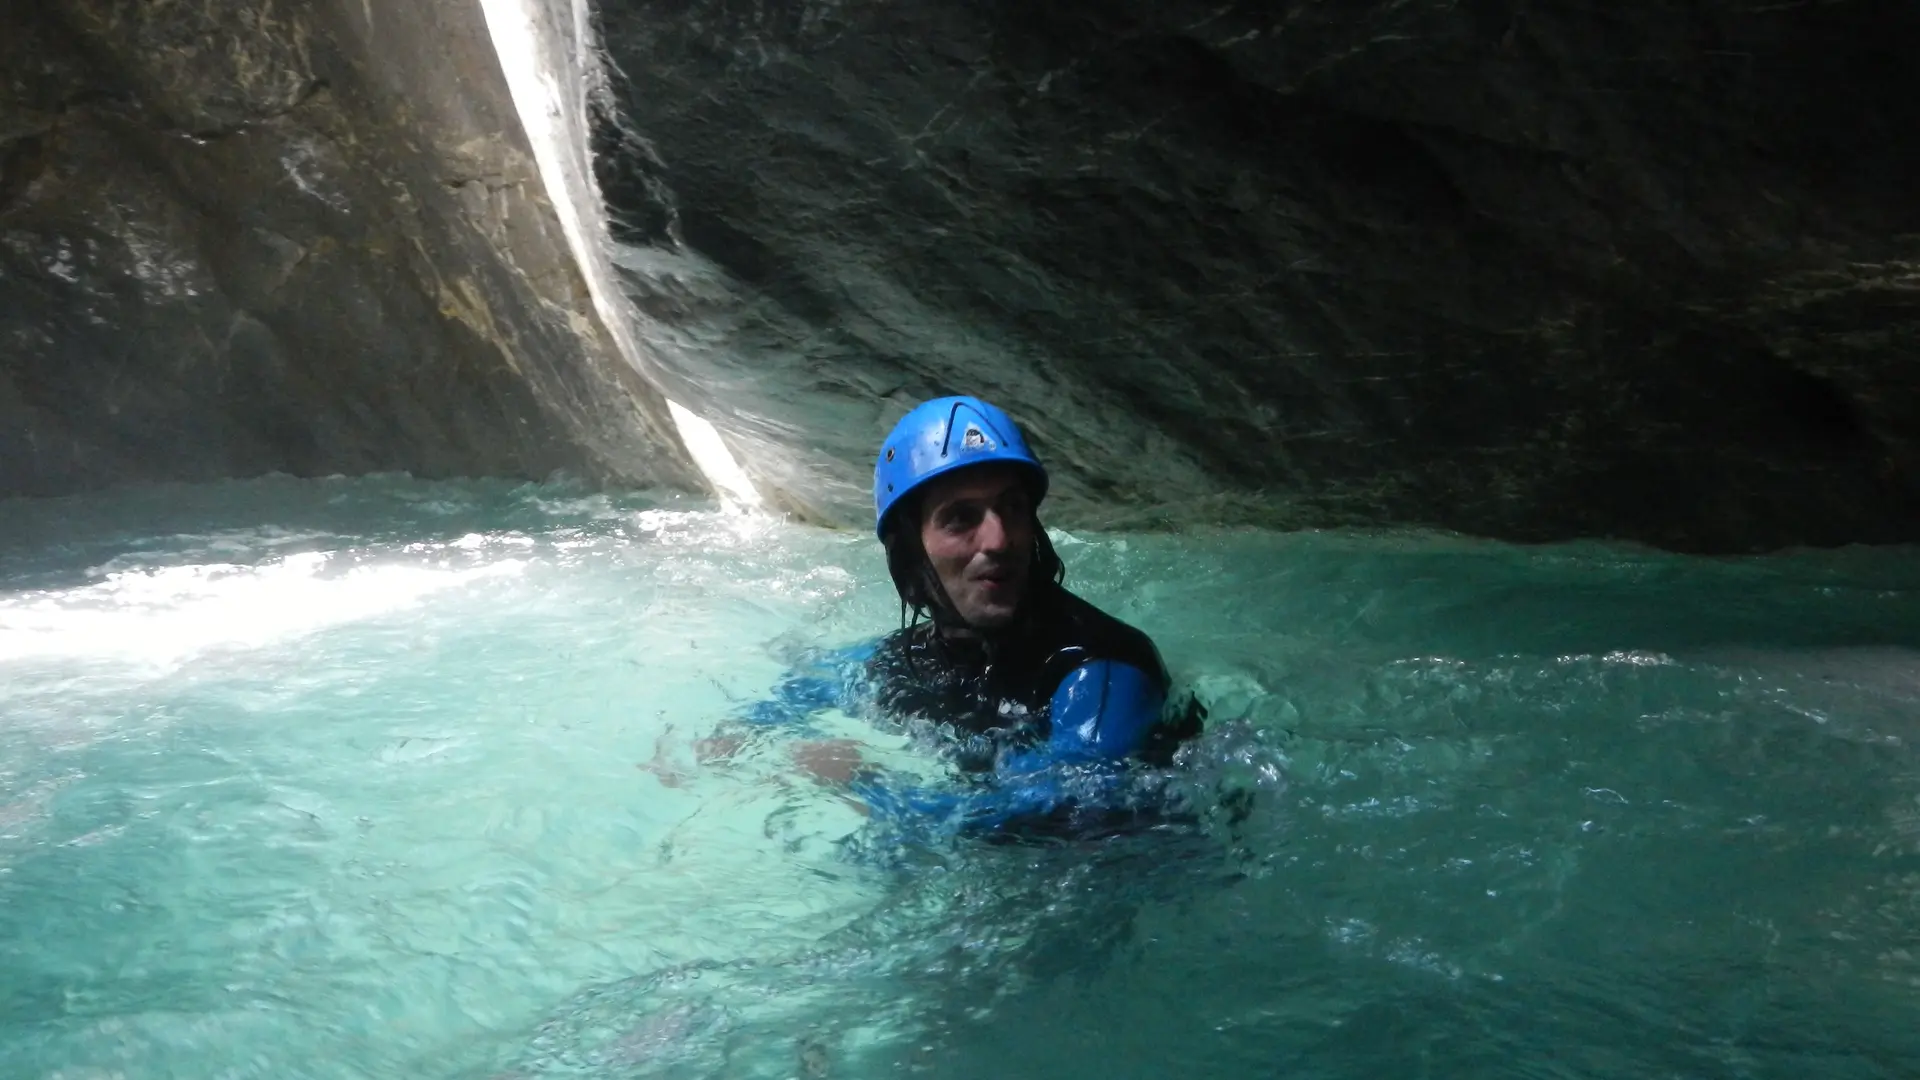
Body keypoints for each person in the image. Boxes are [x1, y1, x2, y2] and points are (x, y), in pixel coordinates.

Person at [849, 396, 1203, 835]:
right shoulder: (922, 652)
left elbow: (1070, 810)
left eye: (1012, 508)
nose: (999, 540)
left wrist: (866, 786)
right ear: (910, 551)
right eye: (961, 518)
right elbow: (833, 676)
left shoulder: (1100, 670)